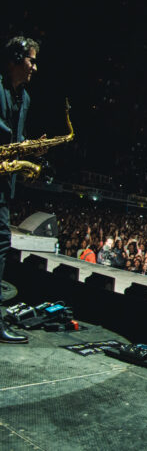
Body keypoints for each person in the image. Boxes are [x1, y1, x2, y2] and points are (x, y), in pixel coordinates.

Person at [0, 36, 39, 344]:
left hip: (3, 182)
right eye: (31, 60)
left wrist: (29, 150)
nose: (34, 67)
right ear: (15, 60)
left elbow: (17, 136)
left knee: (1, 241)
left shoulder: (24, 97)